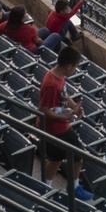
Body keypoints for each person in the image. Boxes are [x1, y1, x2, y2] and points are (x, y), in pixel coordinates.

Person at [37, 44, 86, 191]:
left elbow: (64, 96)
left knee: (56, 159)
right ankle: (74, 187)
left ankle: (46, 186)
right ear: (68, 66)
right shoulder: (52, 84)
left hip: (59, 126)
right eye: (75, 67)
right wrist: (68, 114)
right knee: (79, 156)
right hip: (55, 129)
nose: (75, 70)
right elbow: (45, 109)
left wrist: (73, 108)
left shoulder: (59, 76)